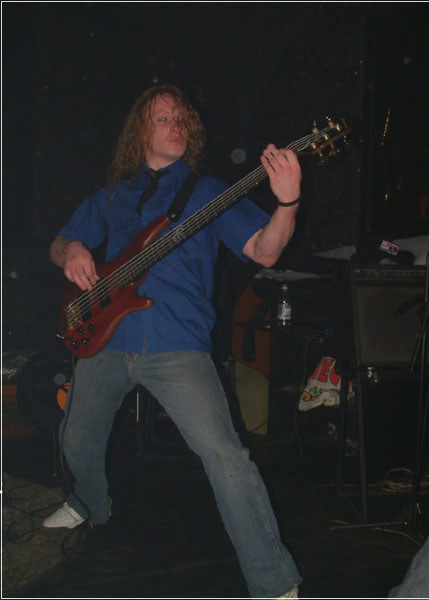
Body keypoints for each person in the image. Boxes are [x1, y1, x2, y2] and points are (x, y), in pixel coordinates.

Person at [43, 83, 302, 599]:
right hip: (106, 338)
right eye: (163, 118)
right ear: (140, 130)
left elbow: (265, 250)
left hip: (176, 343)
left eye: (182, 118)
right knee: (76, 441)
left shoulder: (210, 193)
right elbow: (58, 243)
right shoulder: (113, 194)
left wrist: (288, 201)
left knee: (227, 458)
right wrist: (71, 249)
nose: (176, 125)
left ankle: (275, 584)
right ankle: (90, 505)